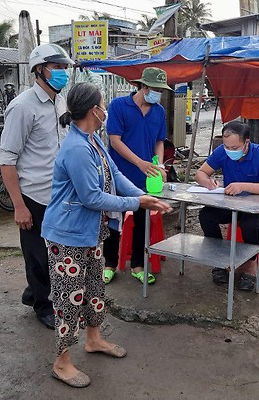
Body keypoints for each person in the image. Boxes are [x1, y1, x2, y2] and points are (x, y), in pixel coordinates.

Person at [41, 82, 172, 388]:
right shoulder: (75, 148)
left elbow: (116, 175)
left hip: (90, 233)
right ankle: (62, 362)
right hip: (67, 236)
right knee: (68, 300)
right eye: (102, 104)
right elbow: (92, 198)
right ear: (93, 111)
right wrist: (136, 203)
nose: (106, 109)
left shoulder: (93, 140)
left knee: (94, 292)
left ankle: (94, 340)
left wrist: (144, 197)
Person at [0, 43, 74, 330]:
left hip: (60, 195)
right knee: (38, 257)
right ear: (39, 70)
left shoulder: (61, 102)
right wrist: (18, 206)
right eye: (57, 68)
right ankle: (43, 306)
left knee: (57, 254)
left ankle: (33, 292)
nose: (62, 73)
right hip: (33, 196)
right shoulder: (22, 107)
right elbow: (6, 160)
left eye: (64, 68)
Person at [102, 67, 173, 285]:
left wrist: (159, 165)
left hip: (146, 178)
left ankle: (138, 266)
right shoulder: (118, 106)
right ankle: (109, 264)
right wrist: (139, 163)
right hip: (119, 175)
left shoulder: (159, 111)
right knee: (114, 221)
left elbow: (160, 141)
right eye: (155, 89)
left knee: (143, 222)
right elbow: (115, 140)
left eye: (162, 90)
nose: (159, 93)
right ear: (142, 86)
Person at [195, 120, 259, 291]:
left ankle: (250, 266)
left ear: (246, 143)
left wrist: (244, 186)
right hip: (231, 203)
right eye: (227, 147)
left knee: (250, 224)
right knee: (206, 216)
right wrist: (208, 182)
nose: (230, 152)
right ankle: (220, 260)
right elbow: (200, 173)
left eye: (234, 148)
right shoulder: (222, 151)